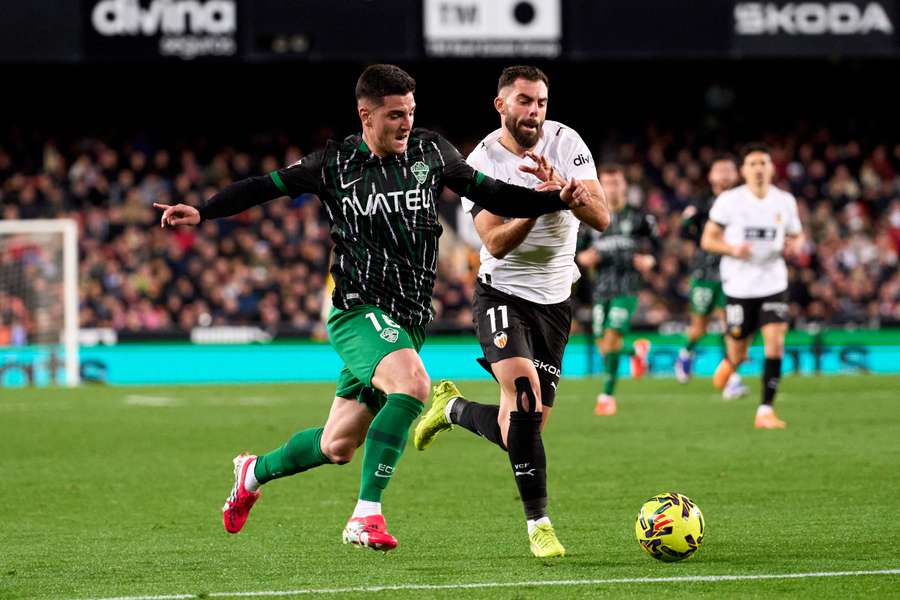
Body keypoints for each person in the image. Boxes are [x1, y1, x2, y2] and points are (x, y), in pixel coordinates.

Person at [153, 64, 590, 552]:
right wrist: (205, 210)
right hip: (357, 311)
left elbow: (491, 193)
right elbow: (263, 186)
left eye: (410, 112)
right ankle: (365, 516)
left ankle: (252, 473)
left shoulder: (430, 151)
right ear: (366, 115)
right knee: (414, 385)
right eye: (395, 115)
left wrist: (554, 199)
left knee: (337, 445)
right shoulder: (334, 164)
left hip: (407, 320)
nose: (406, 123)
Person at [411, 66, 609, 558]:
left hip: (557, 301)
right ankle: (539, 525)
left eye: (541, 102)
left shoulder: (568, 143)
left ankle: (452, 408)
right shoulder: (478, 161)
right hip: (503, 294)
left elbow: (602, 217)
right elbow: (494, 243)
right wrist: (537, 206)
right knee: (522, 400)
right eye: (524, 101)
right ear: (501, 105)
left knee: (521, 431)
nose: (534, 111)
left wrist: (566, 190)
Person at [701, 143, 804, 429]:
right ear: (743, 171)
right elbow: (707, 240)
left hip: (773, 281)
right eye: (753, 164)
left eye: (764, 163)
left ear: (771, 168)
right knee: (738, 351)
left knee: (776, 342)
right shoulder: (729, 201)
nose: (759, 168)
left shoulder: (784, 201)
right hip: (739, 286)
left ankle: (765, 410)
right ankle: (730, 363)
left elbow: (798, 235)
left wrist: (795, 246)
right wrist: (733, 249)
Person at [576, 164, 658, 416]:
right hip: (601, 289)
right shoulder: (590, 219)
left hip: (627, 288)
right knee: (604, 346)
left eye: (616, 183)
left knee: (611, 337)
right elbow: (578, 254)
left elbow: (657, 248)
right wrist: (584, 258)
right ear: (600, 186)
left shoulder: (640, 218)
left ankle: (606, 397)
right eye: (607, 183)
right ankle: (637, 351)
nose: (611, 188)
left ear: (625, 186)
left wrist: (649, 260)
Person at [675, 154, 748, 399]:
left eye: (729, 170)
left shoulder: (743, 201)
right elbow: (684, 230)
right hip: (705, 271)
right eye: (720, 170)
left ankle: (732, 380)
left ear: (736, 175)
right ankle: (686, 352)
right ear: (711, 176)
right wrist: (697, 235)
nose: (725, 175)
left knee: (730, 325)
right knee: (699, 328)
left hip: (733, 270)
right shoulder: (702, 201)